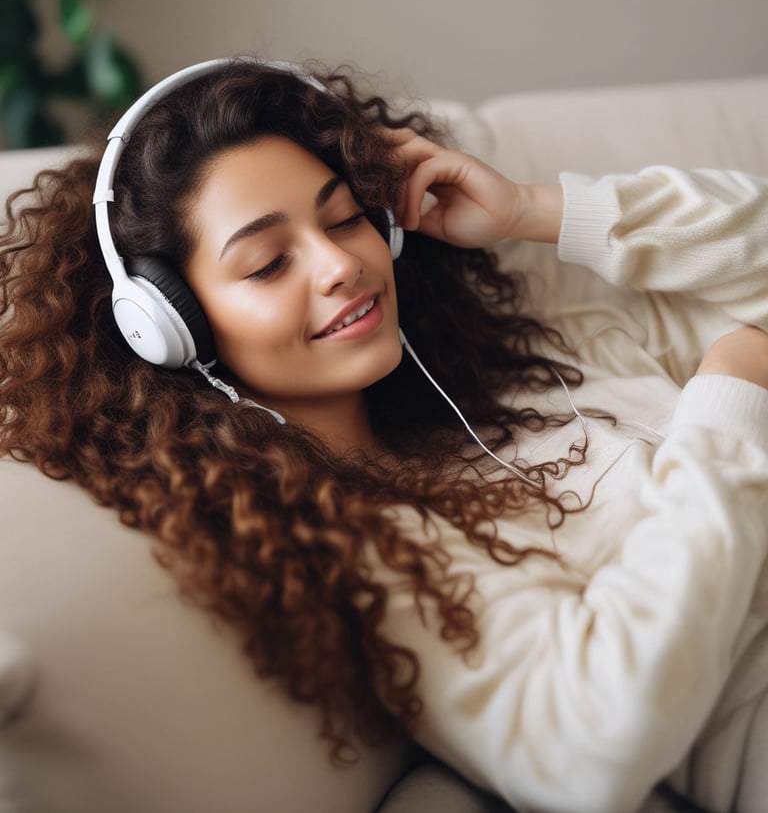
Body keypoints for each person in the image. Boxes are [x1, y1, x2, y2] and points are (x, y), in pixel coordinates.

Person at [2, 57, 768, 813]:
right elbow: (590, 746)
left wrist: (532, 211)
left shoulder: (544, 367)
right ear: (171, 328)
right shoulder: (375, 551)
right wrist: (731, 398)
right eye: (269, 263)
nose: (341, 262)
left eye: (344, 219)